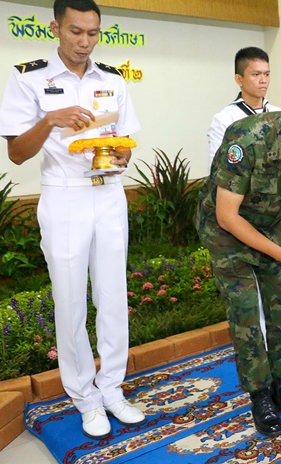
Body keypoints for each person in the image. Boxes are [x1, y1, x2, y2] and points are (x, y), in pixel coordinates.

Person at [0, 0, 144, 439]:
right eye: (76, 32)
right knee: (70, 302)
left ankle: (113, 389)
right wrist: (50, 120)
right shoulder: (29, 77)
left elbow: (127, 141)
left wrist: (122, 154)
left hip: (110, 195)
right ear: (56, 28)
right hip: (64, 200)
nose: (85, 42)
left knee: (113, 296)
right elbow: (17, 152)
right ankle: (85, 396)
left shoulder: (113, 80)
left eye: (93, 33)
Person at [195, 101, 281, 437]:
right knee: (245, 312)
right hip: (226, 231)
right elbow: (227, 216)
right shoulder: (245, 141)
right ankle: (260, 395)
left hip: (271, 225)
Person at [207, 47, 281, 170]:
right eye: (256, 74)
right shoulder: (224, 118)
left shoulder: (278, 113)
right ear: (239, 79)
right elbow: (216, 167)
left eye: (267, 74)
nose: (263, 80)